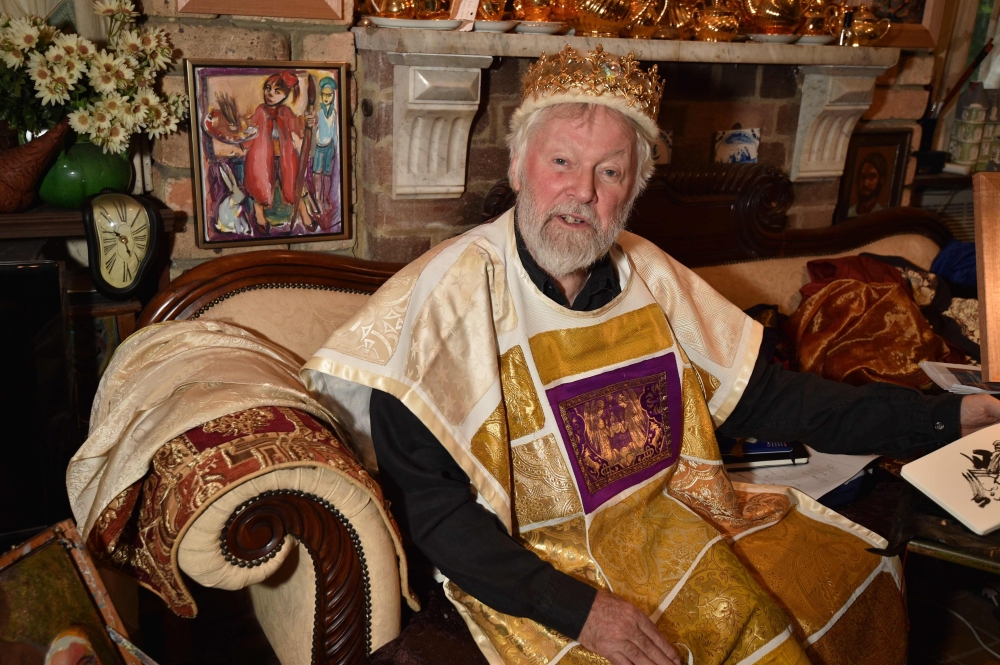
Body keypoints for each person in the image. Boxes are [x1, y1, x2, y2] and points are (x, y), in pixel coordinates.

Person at [304, 45, 1000, 664]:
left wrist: (950, 415)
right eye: (562, 162)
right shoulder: (441, 301)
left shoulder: (652, 276)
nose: (582, 192)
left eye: (610, 172)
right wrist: (583, 613)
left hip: (664, 531)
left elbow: (779, 399)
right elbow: (435, 512)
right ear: (518, 166)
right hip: (529, 575)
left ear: (631, 194)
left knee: (843, 571)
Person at [242, 71, 315, 234]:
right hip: (260, 156)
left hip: (285, 156)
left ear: (285, 94)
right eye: (268, 88)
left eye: (277, 91)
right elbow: (249, 127)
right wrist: (244, 129)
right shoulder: (261, 110)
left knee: (294, 183)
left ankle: (304, 214)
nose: (270, 94)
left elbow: (298, 126)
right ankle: (259, 215)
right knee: (259, 183)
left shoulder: (285, 112)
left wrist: (306, 121)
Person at [312, 76, 341, 224]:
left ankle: (324, 198)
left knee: (327, 174)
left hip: (330, 146)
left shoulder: (334, 113)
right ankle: (317, 198)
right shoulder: (319, 113)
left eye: (329, 95)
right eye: (324, 94)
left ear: (333, 96)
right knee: (317, 173)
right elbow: (313, 127)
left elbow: (335, 131)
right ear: (321, 95)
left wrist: (336, 147)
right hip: (319, 147)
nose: (327, 97)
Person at [846, 151, 888, 217]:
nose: (865, 183)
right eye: (863, 177)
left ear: (881, 180)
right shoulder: (849, 212)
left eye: (872, 177)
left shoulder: (883, 214)